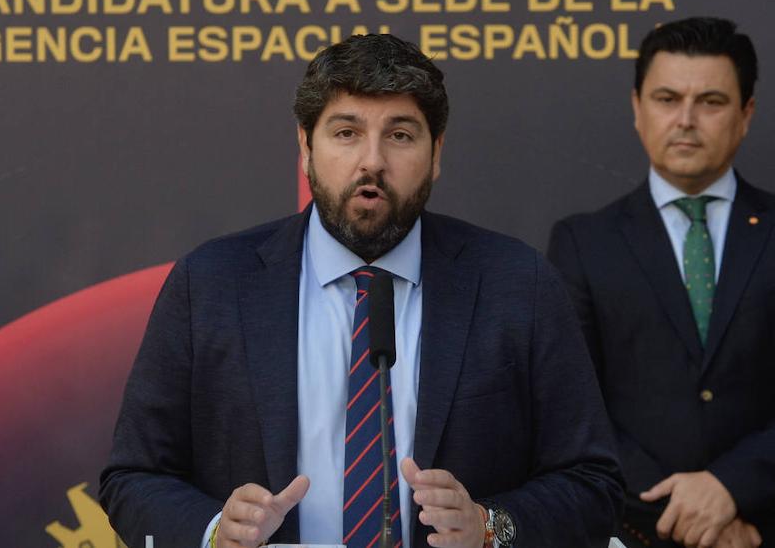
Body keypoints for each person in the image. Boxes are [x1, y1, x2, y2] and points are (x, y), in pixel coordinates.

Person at [100, 33, 622, 548]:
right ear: (306, 147)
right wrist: (216, 532)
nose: (371, 161)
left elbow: (592, 482)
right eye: (346, 133)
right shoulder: (211, 283)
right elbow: (133, 477)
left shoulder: (516, 282)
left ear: (436, 152)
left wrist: (490, 526)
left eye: (400, 135)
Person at [547, 18, 775, 548]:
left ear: (746, 114)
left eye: (712, 102)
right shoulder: (583, 243)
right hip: (636, 531)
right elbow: (572, 407)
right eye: (667, 98)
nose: (687, 120)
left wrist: (730, 488)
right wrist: (685, 513)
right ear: (637, 108)